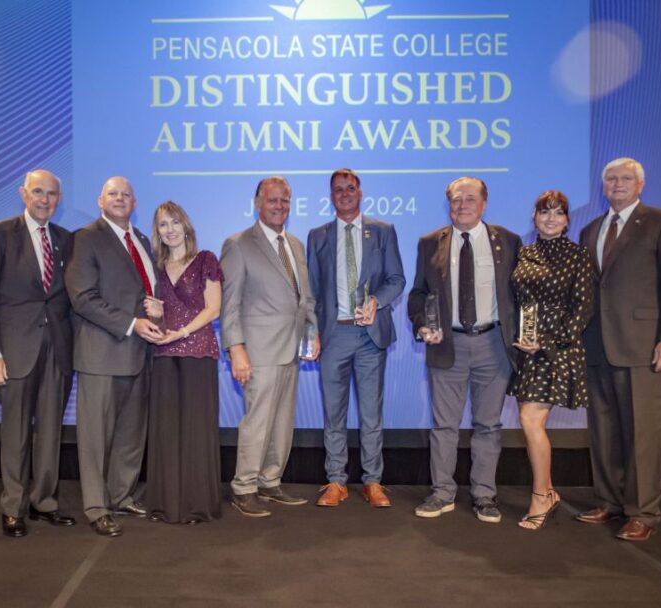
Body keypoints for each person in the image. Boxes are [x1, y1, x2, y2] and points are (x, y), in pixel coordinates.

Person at [577, 158, 661, 541]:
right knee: (604, 430)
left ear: (640, 184)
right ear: (603, 186)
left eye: (626, 178)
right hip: (597, 345)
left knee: (644, 432)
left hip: (644, 346)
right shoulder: (591, 229)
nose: (617, 184)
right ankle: (609, 502)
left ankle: (643, 512)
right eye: (611, 179)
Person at [407, 176, 521, 523]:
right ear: (449, 205)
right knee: (444, 426)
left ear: (484, 204)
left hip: (493, 345)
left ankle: (484, 496)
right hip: (447, 345)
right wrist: (421, 325)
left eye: (470, 199)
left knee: (488, 425)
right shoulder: (430, 244)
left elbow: (521, 295)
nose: (462, 205)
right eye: (456, 200)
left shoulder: (508, 241)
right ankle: (442, 493)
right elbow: (417, 294)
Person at [0, 170, 76, 538]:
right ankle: (13, 507)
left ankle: (43, 502)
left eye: (51, 193)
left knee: (50, 431)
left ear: (59, 199)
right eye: (37, 192)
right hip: (13, 351)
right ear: (22, 194)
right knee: (16, 431)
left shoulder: (66, 240)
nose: (44, 199)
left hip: (58, 350)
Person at [64, 176, 163, 537]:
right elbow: (83, 298)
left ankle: (121, 495)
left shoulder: (143, 241)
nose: (120, 199)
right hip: (102, 354)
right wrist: (131, 324)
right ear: (99, 200)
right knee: (96, 437)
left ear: (135, 203)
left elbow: (147, 295)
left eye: (126, 195)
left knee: (131, 434)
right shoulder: (86, 238)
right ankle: (96, 505)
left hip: (140, 355)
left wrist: (157, 315)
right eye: (113, 194)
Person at [220, 176, 319, 517]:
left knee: (281, 422)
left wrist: (313, 332)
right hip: (257, 352)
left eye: (285, 201)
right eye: (273, 200)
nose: (280, 206)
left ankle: (269, 481)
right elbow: (228, 304)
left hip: (291, 348)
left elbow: (304, 297)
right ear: (257, 203)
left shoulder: (295, 244)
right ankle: (243, 486)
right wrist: (236, 348)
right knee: (258, 422)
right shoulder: (239, 244)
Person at [307, 169, 405, 508]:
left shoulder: (383, 231)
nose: (345, 194)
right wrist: (312, 333)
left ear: (360, 193)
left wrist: (377, 300)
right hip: (334, 335)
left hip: (369, 334)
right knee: (333, 413)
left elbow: (396, 279)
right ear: (331, 197)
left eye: (350, 188)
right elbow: (313, 292)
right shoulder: (317, 236)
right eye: (338, 190)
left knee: (370, 414)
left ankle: (373, 481)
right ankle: (336, 481)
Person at [507, 190, 595, 530]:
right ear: (534, 216)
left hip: (558, 349)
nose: (551, 218)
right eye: (545, 212)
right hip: (526, 350)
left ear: (568, 220)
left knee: (530, 420)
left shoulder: (578, 256)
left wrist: (546, 342)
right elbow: (520, 302)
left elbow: (583, 309)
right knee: (528, 420)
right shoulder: (524, 253)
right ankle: (547, 492)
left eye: (559, 213)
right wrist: (525, 338)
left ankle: (542, 495)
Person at [143, 202, 224, 524]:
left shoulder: (205, 260)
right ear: (157, 231)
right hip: (164, 354)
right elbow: (160, 312)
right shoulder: (154, 267)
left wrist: (183, 332)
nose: (170, 229)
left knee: (196, 431)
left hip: (198, 352)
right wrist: (159, 318)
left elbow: (213, 309)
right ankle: (165, 505)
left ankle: (195, 506)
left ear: (186, 226)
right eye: (163, 224)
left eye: (175, 222)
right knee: (166, 432)